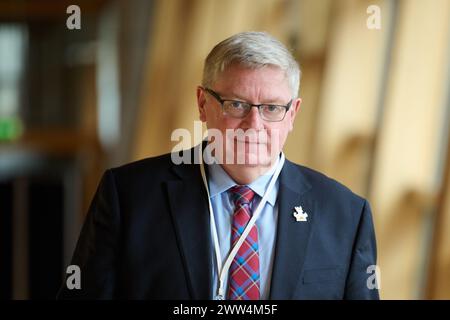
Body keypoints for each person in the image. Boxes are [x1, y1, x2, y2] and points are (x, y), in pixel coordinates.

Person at [58, 31, 379, 300]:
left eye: (271, 108)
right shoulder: (128, 196)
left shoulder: (346, 215)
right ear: (202, 104)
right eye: (236, 104)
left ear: (292, 113)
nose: (254, 125)